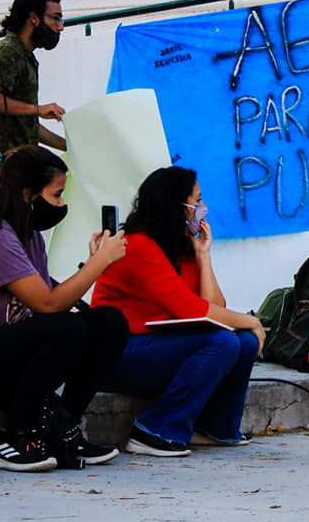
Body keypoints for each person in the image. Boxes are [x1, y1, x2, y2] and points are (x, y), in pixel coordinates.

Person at [0, 145, 130, 472]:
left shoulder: (28, 235)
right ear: (28, 194)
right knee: (66, 326)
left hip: (0, 351)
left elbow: (50, 296)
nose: (62, 205)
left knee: (108, 323)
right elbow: (47, 305)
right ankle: (18, 435)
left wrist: (92, 263)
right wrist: (99, 263)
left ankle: (63, 425)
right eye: (57, 195)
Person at [92, 166, 265, 457]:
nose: (201, 209)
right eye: (196, 202)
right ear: (176, 206)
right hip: (118, 354)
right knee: (222, 341)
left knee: (244, 341)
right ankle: (154, 431)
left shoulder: (179, 246)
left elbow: (214, 307)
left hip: (160, 348)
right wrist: (252, 320)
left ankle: (214, 427)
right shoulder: (137, 247)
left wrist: (203, 256)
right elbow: (193, 309)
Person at [0, 0, 68, 167]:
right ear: (34, 18)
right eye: (56, 19)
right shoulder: (8, 51)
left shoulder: (26, 56)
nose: (60, 28)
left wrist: (68, 145)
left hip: (18, 167)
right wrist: (37, 109)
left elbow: (27, 124)